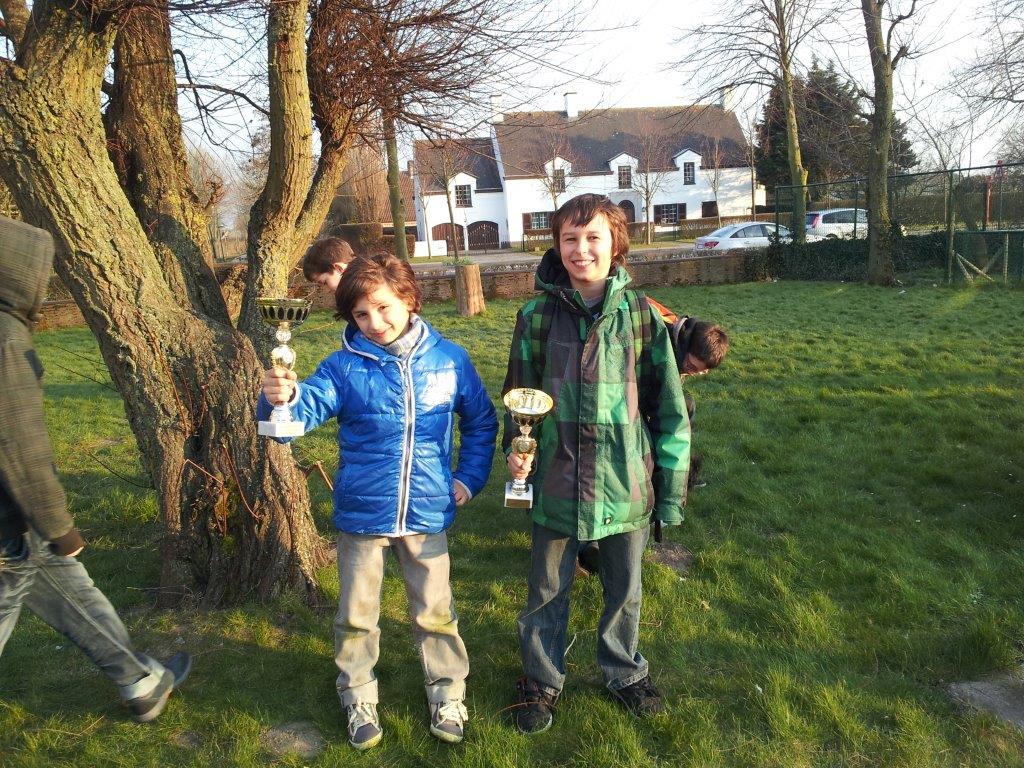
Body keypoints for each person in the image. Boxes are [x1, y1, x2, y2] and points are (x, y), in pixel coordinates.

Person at [258, 253, 497, 750]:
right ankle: (358, 694)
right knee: (357, 614)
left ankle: (448, 692)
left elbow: (480, 422)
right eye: (361, 316)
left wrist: (469, 478)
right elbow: (289, 426)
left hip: (428, 510)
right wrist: (277, 399)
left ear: (408, 300)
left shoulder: (450, 360)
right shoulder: (342, 367)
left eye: (384, 309)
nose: (375, 323)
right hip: (363, 514)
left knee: (435, 611)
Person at [502, 194, 691, 733]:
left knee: (624, 589)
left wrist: (669, 492)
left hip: (624, 481)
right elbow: (520, 398)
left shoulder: (641, 315)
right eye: (569, 239)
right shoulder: (535, 316)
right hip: (557, 479)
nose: (581, 249)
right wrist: (518, 457)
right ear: (556, 246)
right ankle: (540, 679)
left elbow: (668, 408)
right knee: (545, 590)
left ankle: (624, 671)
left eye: (593, 238)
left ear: (616, 245)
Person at [0, 215, 190, 723]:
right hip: (8, 528)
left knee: (72, 590)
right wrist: (59, 525)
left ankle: (141, 681)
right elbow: (17, 444)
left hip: (17, 526)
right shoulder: (3, 337)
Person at [576, 313, 729, 576]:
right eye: (695, 366)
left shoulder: (679, 343)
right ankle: (588, 544)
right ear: (687, 347)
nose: (699, 372)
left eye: (703, 370)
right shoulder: (659, 345)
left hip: (638, 408)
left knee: (684, 411)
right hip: (614, 408)